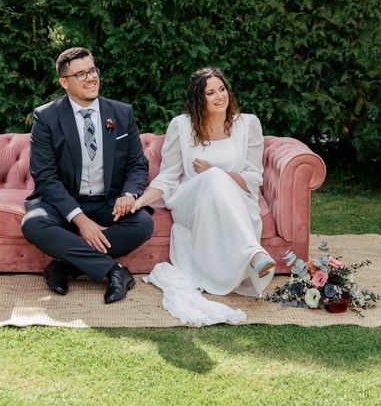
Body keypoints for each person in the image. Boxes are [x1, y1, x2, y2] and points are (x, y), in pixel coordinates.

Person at [127, 67, 275, 325]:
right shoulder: (181, 126)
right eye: (210, 92)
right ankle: (253, 254)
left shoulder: (247, 125)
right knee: (212, 177)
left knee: (216, 177)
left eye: (222, 89)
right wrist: (140, 201)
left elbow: (253, 179)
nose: (220, 96)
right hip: (190, 200)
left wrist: (217, 172)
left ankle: (251, 254)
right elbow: (169, 177)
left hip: (236, 199)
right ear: (199, 98)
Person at [21, 47, 154, 304]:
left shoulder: (122, 113)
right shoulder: (46, 117)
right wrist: (81, 221)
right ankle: (113, 271)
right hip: (64, 206)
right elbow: (45, 177)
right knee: (33, 223)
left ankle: (64, 267)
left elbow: (138, 164)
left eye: (92, 70)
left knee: (143, 224)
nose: (91, 78)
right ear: (64, 83)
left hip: (107, 203)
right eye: (81, 74)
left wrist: (128, 194)